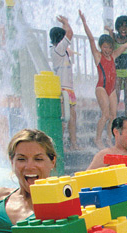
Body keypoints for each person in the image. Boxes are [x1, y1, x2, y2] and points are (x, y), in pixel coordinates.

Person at [79, 10, 127, 149]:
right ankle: (98, 139)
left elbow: (125, 46)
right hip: (101, 87)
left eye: (110, 47)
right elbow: (91, 39)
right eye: (105, 47)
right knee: (105, 114)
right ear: (101, 47)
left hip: (111, 90)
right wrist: (84, 22)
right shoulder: (98, 56)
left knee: (113, 115)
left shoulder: (114, 55)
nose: (108, 50)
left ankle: (109, 139)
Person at [50, 15, 79, 150]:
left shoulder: (62, 51)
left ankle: (73, 143)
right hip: (63, 90)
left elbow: (66, 36)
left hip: (69, 89)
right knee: (63, 119)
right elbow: (70, 34)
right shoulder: (58, 51)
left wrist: (63, 25)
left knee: (72, 118)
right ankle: (60, 145)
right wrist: (67, 23)